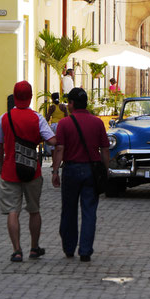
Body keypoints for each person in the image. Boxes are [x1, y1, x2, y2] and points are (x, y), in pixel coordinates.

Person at [0, 81, 57, 263]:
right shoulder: (37, 118)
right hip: (32, 170)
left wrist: (1, 165)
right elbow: (52, 141)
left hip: (9, 170)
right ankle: (34, 248)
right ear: (30, 97)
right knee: (34, 210)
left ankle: (16, 250)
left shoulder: (4, 118)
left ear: (14, 96)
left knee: (13, 211)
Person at [51, 87, 110, 263]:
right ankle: (85, 250)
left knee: (69, 210)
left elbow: (60, 148)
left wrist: (55, 171)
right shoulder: (97, 122)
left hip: (71, 169)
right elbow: (105, 149)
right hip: (91, 170)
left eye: (68, 102)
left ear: (72, 104)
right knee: (89, 211)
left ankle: (69, 247)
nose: (67, 105)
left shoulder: (65, 123)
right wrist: (105, 170)